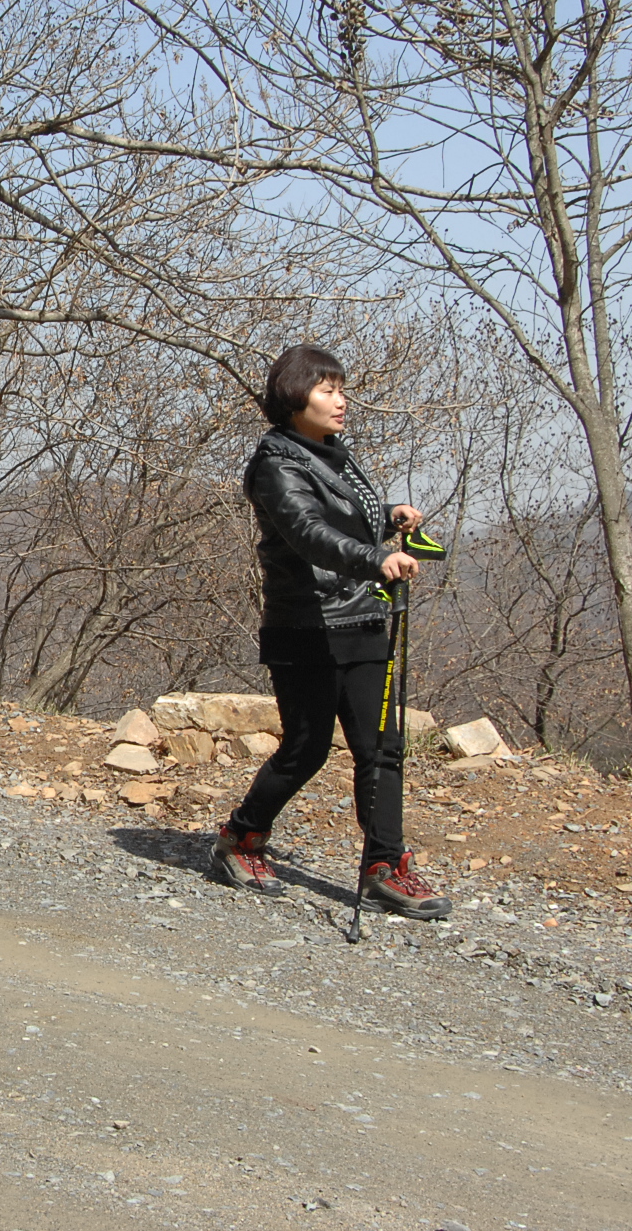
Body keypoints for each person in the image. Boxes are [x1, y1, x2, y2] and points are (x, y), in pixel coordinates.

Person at [210, 344, 450, 920]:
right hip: (306, 626)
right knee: (305, 750)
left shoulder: (332, 453)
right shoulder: (274, 463)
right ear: (295, 398)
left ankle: (384, 867)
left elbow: (339, 514)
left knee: (383, 749)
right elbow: (307, 533)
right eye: (328, 390)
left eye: (342, 389)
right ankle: (241, 837)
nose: (342, 400)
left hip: (364, 616)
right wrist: (376, 559)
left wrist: (388, 514)